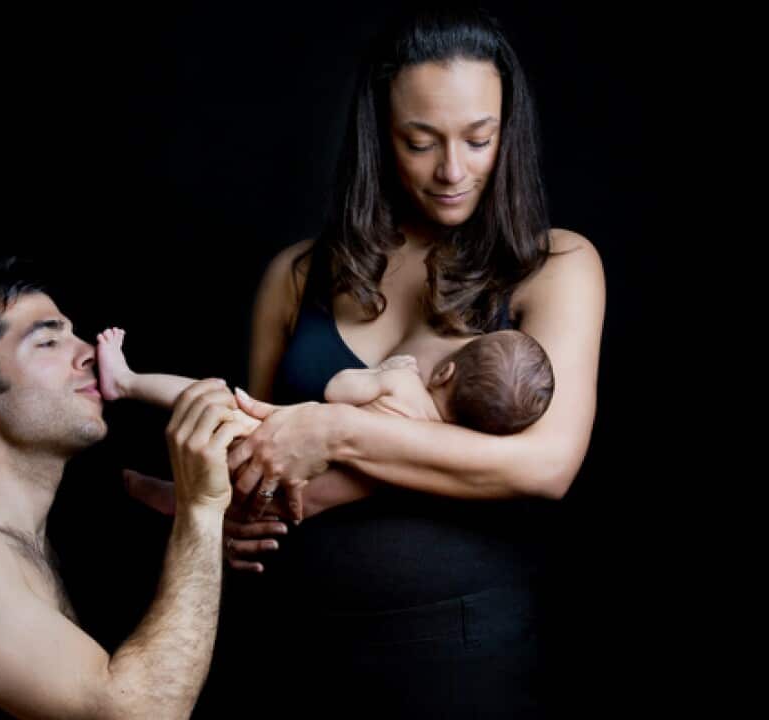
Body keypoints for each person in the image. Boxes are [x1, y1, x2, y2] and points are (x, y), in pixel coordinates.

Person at [206, 4, 606, 716]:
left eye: (479, 140)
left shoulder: (557, 266)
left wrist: (336, 431)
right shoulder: (297, 275)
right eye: (420, 142)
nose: (453, 170)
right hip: (288, 649)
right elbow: (255, 450)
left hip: (464, 660)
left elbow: (546, 467)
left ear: (506, 134)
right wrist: (231, 511)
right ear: (379, 137)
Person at [0, 261, 247, 719]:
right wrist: (200, 511)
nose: (91, 353)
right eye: (49, 341)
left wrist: (199, 517)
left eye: (76, 334)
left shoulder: (14, 536)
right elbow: (140, 713)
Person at [102, 325, 554, 521]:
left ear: (445, 372)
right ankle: (162, 496)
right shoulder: (445, 453)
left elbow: (338, 391)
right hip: (307, 504)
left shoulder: (402, 385)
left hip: (277, 450)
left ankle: (126, 382)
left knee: (212, 401)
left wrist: (381, 374)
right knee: (221, 507)